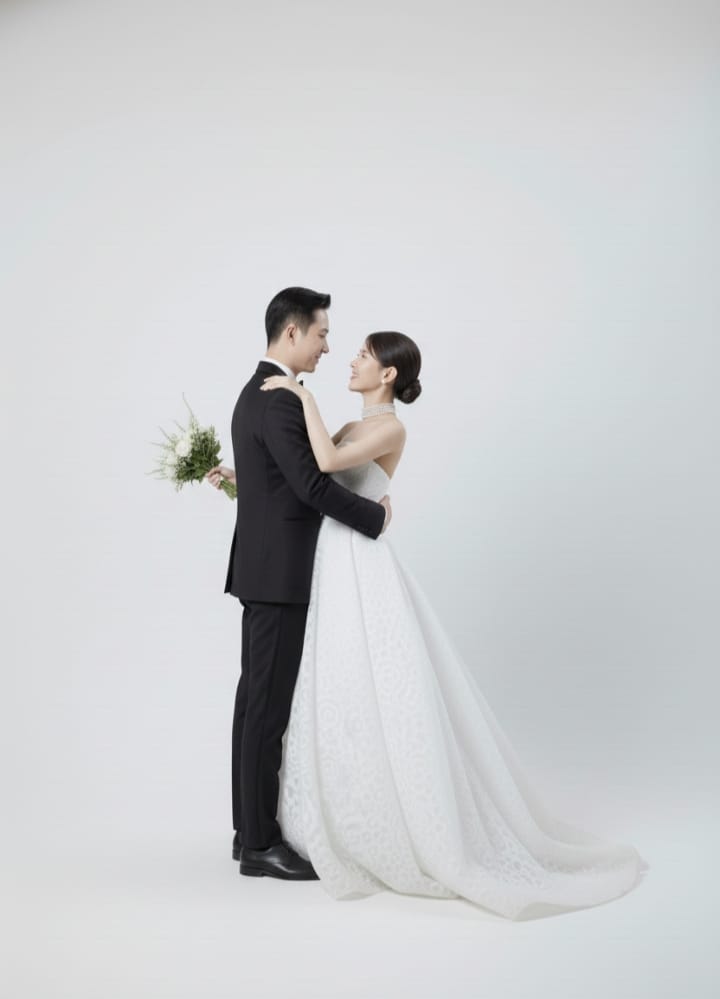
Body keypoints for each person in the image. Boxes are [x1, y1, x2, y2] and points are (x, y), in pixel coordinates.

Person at [210, 330, 648, 919]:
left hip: (355, 559)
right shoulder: (348, 421)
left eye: (364, 355)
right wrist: (238, 478)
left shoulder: (389, 428)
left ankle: (351, 823)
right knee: (314, 686)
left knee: (363, 682)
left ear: (388, 374)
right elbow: (304, 477)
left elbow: (328, 465)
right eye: (349, 349)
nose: (350, 358)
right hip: (325, 559)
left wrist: (304, 398)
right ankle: (281, 823)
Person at [214, 287, 391, 881]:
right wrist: (376, 518)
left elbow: (272, 481)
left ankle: (247, 831)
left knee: (253, 705)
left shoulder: (252, 392)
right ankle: (260, 845)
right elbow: (311, 487)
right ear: (292, 332)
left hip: (260, 569)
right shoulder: (280, 399)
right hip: (279, 574)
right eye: (321, 334)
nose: (327, 347)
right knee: (265, 712)